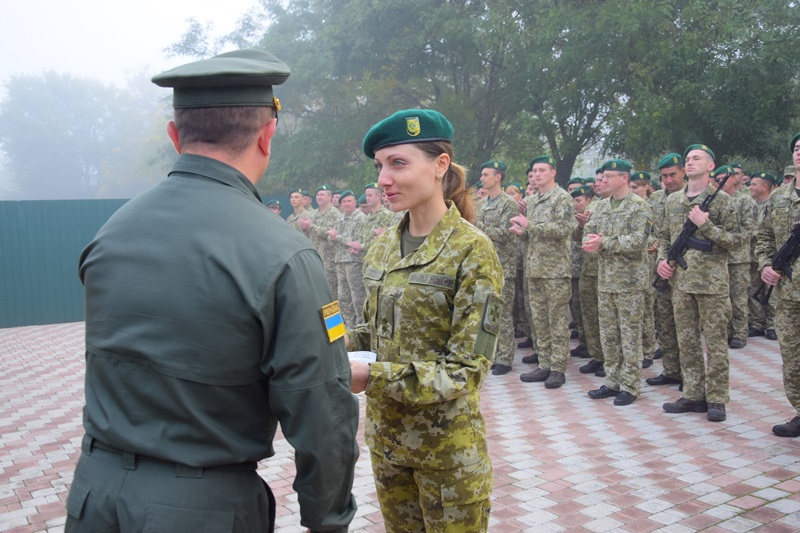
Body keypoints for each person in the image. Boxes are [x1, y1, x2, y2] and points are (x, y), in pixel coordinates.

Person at [65, 49, 358, 532]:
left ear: (175, 136)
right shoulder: (282, 251)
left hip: (95, 495)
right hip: (201, 509)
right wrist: (328, 519)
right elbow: (321, 410)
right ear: (268, 135)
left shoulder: (113, 231)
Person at [349, 109, 502, 532]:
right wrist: (322, 339)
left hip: (446, 456)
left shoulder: (472, 250)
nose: (383, 179)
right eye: (380, 166)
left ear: (440, 165)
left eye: (398, 163)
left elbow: (466, 370)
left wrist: (371, 377)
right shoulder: (382, 247)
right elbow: (371, 332)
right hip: (388, 445)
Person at [656, 144, 741, 422]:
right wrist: (662, 260)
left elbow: (737, 242)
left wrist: (706, 225)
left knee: (715, 342)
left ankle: (716, 398)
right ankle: (693, 393)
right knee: (687, 341)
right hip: (681, 282)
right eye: (688, 159)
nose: (690, 162)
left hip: (711, 283)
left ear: (710, 166)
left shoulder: (723, 201)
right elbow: (665, 237)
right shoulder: (672, 201)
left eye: (697, 159)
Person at [584, 160, 652, 405]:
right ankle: (612, 381)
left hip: (630, 283)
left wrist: (605, 242)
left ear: (624, 178)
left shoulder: (639, 206)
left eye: (610, 176)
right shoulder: (601, 207)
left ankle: (630, 386)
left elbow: (638, 241)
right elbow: (588, 230)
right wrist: (592, 240)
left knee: (630, 335)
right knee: (609, 335)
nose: (604, 181)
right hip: (606, 281)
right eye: (603, 176)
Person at [510, 155, 577, 388]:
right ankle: (544, 363)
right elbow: (534, 233)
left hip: (555, 270)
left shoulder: (563, 199)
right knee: (539, 319)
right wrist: (523, 232)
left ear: (553, 172)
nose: (536, 174)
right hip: (535, 268)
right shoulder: (534, 200)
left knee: (556, 320)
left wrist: (531, 227)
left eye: (541, 170)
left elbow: (563, 229)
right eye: (534, 171)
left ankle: (558, 368)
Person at [757, 133, 800, 437]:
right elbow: (764, 238)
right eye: (797, 148)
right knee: (792, 357)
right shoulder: (779, 198)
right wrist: (765, 266)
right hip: (787, 293)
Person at [475, 160, 519, 375]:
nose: (482, 178)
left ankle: (504, 358)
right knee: (486, 314)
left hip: (504, 266)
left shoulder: (509, 203)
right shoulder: (482, 204)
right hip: (485, 266)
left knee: (502, 314)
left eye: (486, 174)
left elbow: (506, 232)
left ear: (498, 177)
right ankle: (489, 354)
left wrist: (479, 227)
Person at [646, 153, 686, 388]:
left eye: (672, 174)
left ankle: (689, 374)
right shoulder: (657, 199)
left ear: (683, 172)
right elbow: (651, 228)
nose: (668, 180)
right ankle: (671, 370)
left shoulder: (693, 197)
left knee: (686, 327)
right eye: (664, 176)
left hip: (686, 270)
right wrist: (652, 242)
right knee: (665, 323)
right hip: (660, 269)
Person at [711, 165, 758, 349]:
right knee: (722, 299)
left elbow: (750, 230)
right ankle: (727, 331)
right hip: (718, 258)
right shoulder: (715, 200)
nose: (721, 182)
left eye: (725, 178)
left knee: (738, 297)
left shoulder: (745, 201)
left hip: (738, 258)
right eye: (718, 179)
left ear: (733, 179)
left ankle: (739, 332)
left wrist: (728, 238)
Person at [328, 190, 366, 329]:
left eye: (349, 201)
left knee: (357, 298)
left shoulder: (360, 218)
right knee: (343, 297)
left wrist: (337, 237)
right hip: (339, 261)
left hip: (353, 261)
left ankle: (362, 327)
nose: (346, 204)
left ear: (355, 202)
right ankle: (349, 327)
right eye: (344, 202)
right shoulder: (340, 218)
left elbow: (356, 241)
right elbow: (332, 240)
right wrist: (332, 236)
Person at [748, 171, 780, 339]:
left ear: (765, 187)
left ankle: (771, 324)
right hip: (752, 256)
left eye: (754, 184)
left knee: (771, 290)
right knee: (754, 288)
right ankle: (756, 323)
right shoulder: (750, 204)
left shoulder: (774, 204)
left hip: (771, 256)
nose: (750, 187)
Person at [297, 184, 341, 295]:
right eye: (317, 195)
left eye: (322, 195)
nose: (319, 197)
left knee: (331, 291)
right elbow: (309, 234)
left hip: (329, 259)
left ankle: (335, 313)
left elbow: (329, 233)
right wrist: (304, 228)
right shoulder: (313, 214)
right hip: (315, 256)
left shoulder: (335, 213)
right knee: (316, 289)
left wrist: (311, 226)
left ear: (329, 197)